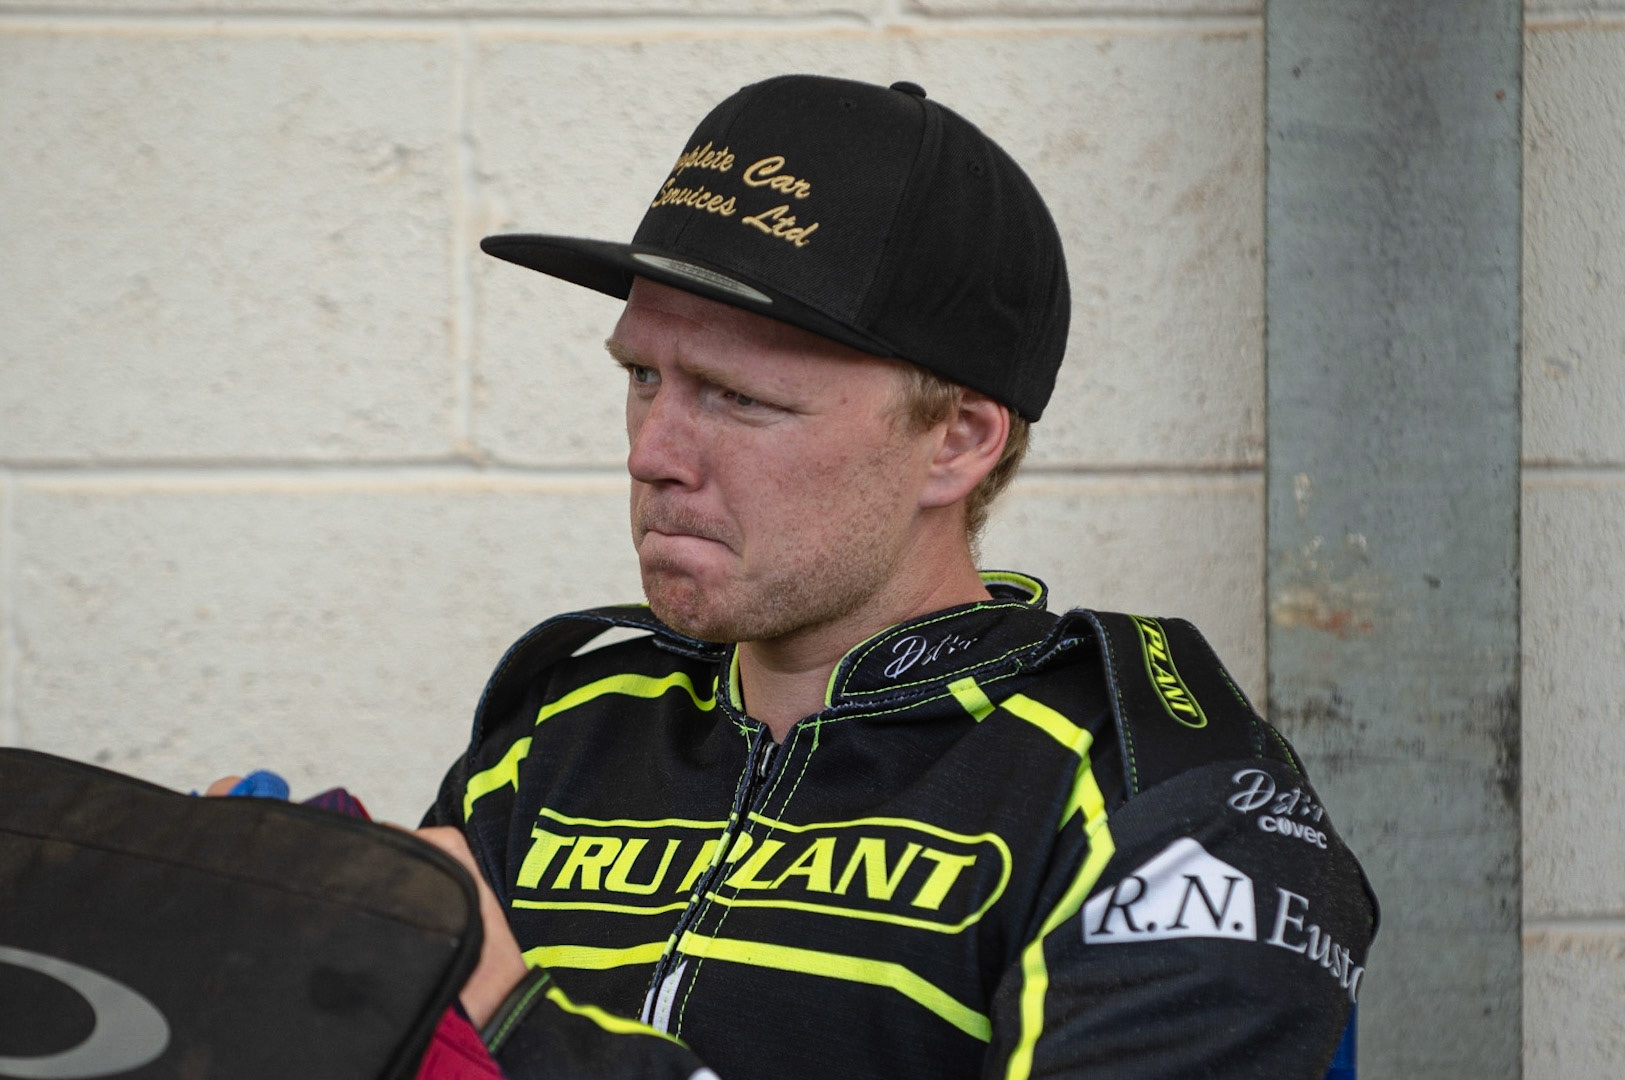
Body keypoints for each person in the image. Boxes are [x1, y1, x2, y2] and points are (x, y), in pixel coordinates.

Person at [417, 74, 1378, 1080]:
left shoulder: (1156, 797)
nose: (651, 452)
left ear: (955, 441)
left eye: (736, 396)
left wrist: (514, 1025)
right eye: (643, 376)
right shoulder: (555, 738)